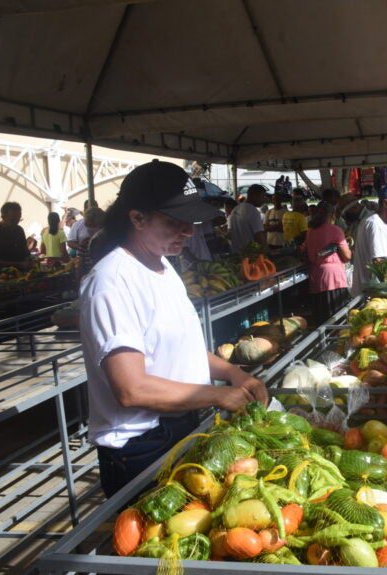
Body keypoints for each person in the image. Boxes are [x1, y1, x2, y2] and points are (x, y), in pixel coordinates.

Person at [80, 160, 267, 498]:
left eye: (190, 221)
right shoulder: (112, 283)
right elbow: (131, 389)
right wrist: (218, 395)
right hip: (142, 446)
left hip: (180, 425)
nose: (190, 231)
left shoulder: (162, 265)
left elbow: (182, 348)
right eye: (174, 222)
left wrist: (233, 374)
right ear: (137, 218)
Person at [302, 201, 351, 324]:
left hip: (316, 276)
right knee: (337, 317)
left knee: (321, 316)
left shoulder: (310, 231)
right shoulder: (336, 230)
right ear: (332, 215)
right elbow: (347, 256)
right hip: (333, 278)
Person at [0, 202, 33, 273]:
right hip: (2, 275)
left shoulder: (19, 230)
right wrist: (18, 265)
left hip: (21, 273)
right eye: (13, 220)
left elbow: (25, 252)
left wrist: (30, 259)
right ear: (3, 217)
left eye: (19, 219)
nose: (16, 223)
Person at [228, 184, 267, 252]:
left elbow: (230, 233)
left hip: (236, 253)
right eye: (262, 196)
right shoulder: (253, 211)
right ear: (254, 196)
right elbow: (259, 237)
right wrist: (267, 251)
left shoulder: (235, 209)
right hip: (251, 255)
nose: (264, 199)